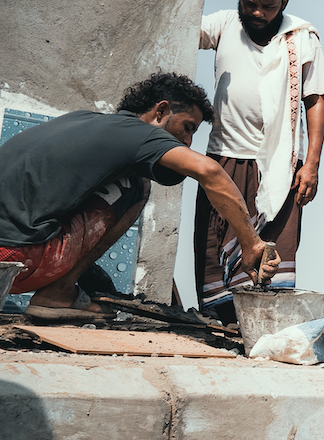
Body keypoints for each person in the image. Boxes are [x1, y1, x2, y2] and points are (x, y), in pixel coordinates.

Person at [0, 73, 278, 320]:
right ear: (161, 111)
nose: (188, 142)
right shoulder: (140, 134)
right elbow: (210, 172)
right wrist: (250, 243)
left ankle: (66, 284)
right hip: (18, 258)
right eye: (188, 127)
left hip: (6, 265)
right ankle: (58, 292)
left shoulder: (82, 120)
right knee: (138, 185)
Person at [191, 0, 324, 322]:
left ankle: (266, 332)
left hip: (281, 165)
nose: (256, 13)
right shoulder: (223, 24)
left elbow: (314, 102)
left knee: (276, 256)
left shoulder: (302, 37)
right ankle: (225, 333)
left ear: (284, 3)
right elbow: (178, 28)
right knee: (214, 253)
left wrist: (312, 165)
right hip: (223, 158)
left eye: (267, 6)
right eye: (249, 4)